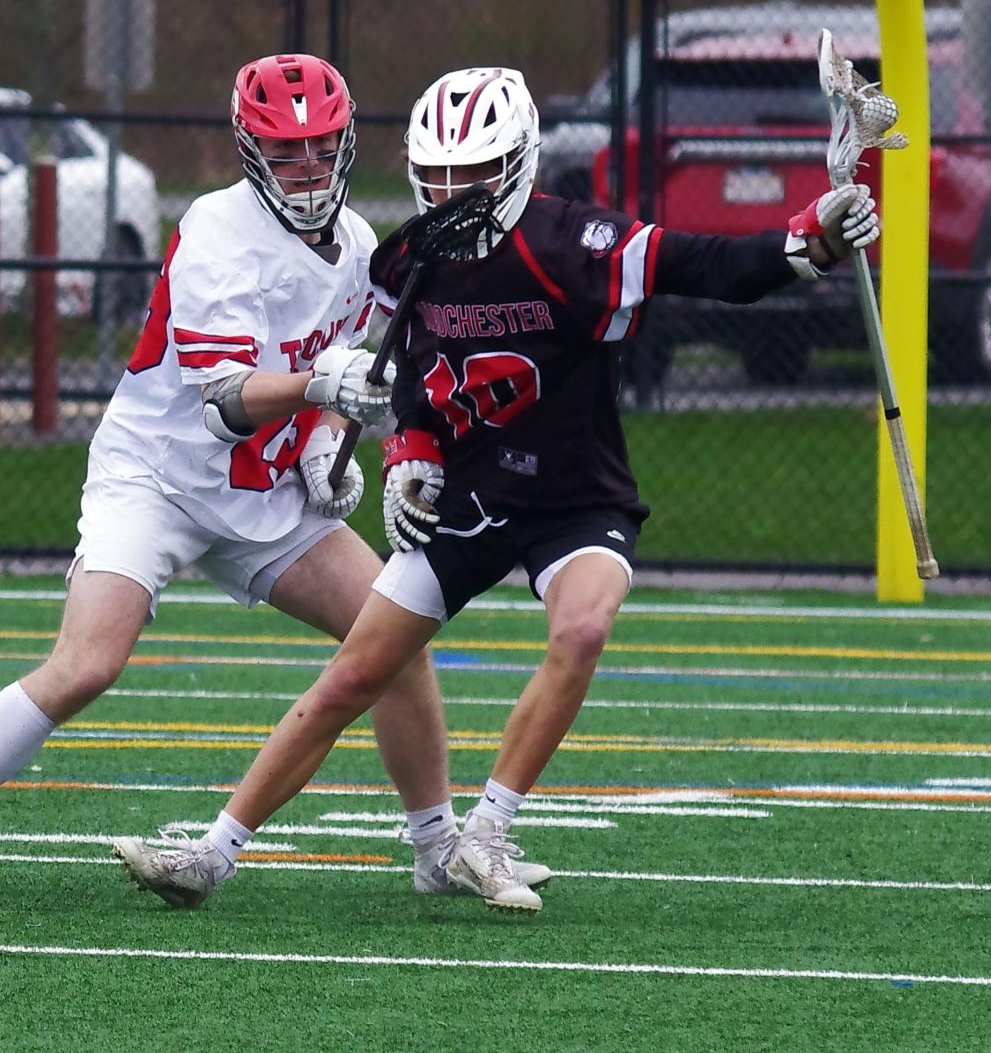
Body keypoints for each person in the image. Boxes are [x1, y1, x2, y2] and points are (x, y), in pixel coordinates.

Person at [112, 65, 880, 913]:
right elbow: (406, 371)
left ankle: (484, 833)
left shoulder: (573, 245)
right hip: (469, 500)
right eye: (437, 174)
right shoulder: (408, 257)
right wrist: (408, 450)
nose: (451, 192)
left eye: (472, 174)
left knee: (582, 626)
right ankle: (213, 855)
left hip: (575, 496)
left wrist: (806, 240)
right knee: (354, 673)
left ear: (516, 165)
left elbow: (713, 264)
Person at [0, 54, 547, 902]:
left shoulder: (364, 246)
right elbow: (226, 402)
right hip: (157, 477)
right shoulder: (217, 230)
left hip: (264, 492)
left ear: (346, 144)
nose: (307, 167)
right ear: (249, 150)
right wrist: (317, 391)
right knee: (88, 661)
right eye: (286, 150)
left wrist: (326, 432)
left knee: (393, 632)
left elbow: (352, 372)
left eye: (321, 146)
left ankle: (436, 846)